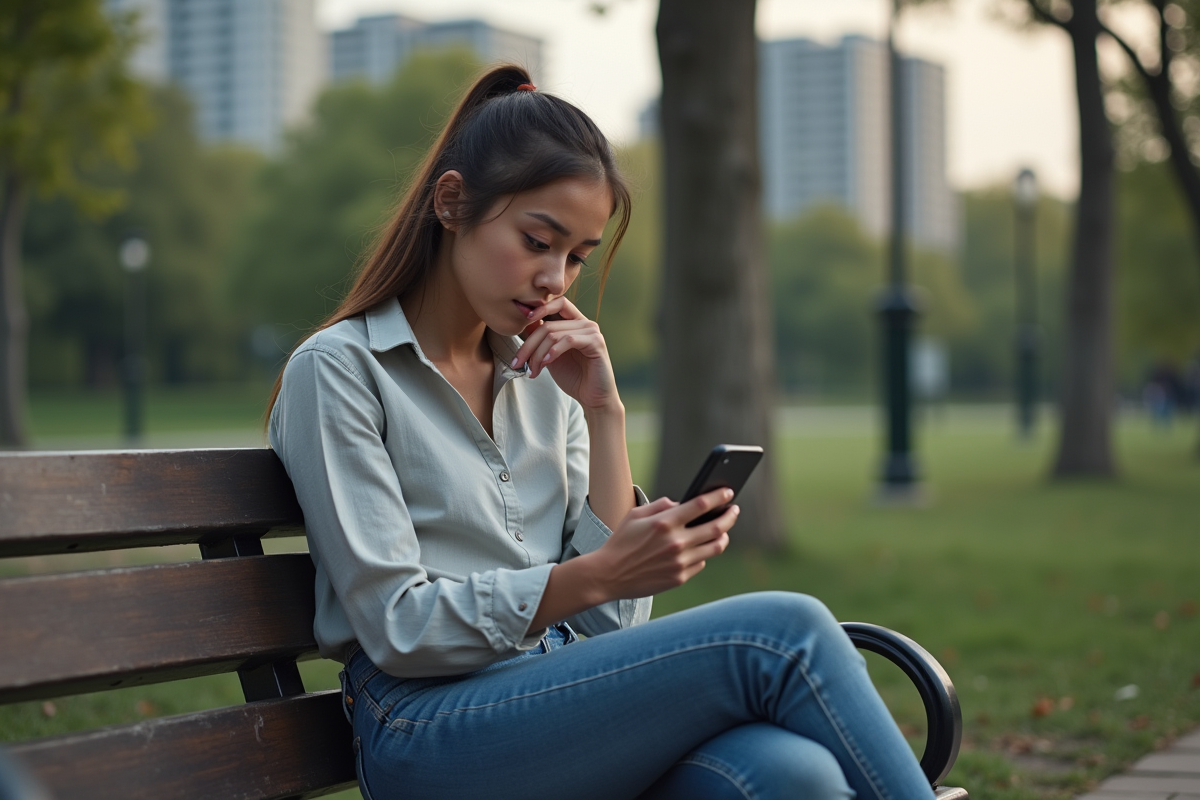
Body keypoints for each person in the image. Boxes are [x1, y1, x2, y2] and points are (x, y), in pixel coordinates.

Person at [268, 65, 935, 800]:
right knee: (786, 632)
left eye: (578, 256)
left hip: (551, 699)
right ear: (453, 205)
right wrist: (603, 571)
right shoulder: (340, 371)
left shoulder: (550, 380)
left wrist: (603, 412)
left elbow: (609, 625)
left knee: (789, 775)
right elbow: (397, 627)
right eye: (536, 240)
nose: (556, 278)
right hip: (426, 729)